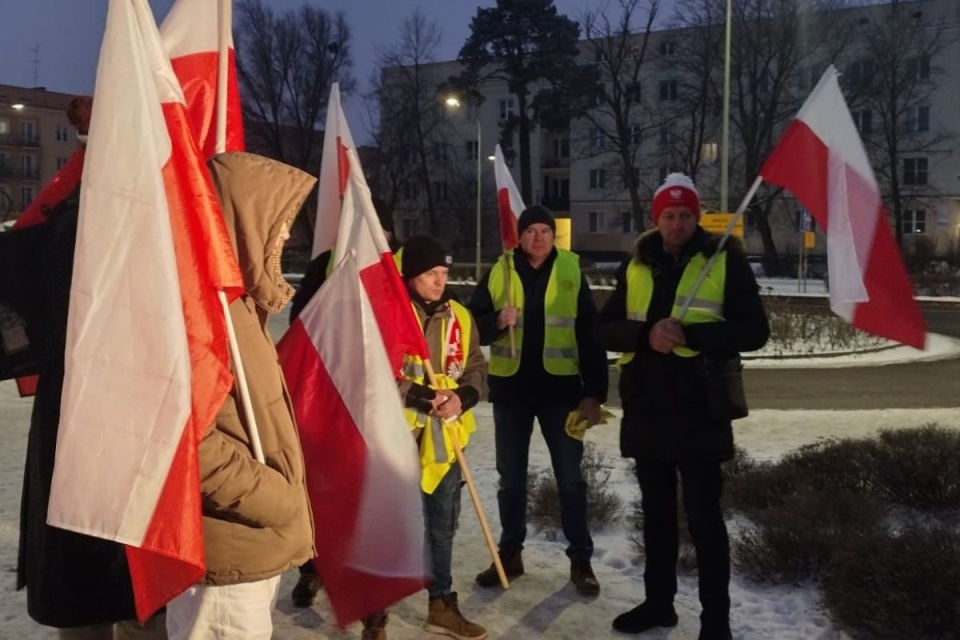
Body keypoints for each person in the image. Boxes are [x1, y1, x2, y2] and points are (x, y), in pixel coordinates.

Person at [0, 96, 165, 640]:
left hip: (112, 415)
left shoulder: (73, 212)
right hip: (93, 418)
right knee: (106, 581)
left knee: (120, 585)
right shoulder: (75, 222)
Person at [596, 173, 769, 640]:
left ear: (696, 218)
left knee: (705, 520)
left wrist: (690, 335)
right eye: (669, 216)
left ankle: (716, 622)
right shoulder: (635, 266)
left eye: (685, 215)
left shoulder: (724, 262)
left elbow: (754, 331)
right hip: (649, 408)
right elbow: (604, 328)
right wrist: (644, 336)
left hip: (701, 410)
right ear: (657, 220)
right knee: (655, 518)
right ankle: (659, 604)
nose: (677, 224)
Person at [164, 152, 317, 639]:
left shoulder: (241, 306)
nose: (287, 237)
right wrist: (276, 501)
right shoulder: (202, 311)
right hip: (225, 556)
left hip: (246, 545)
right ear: (243, 222)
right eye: (280, 222)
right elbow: (190, 442)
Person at [468, 205, 608, 596]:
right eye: (531, 231)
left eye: (546, 230)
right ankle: (509, 555)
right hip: (511, 393)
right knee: (510, 479)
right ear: (520, 235)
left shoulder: (570, 271)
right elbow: (468, 326)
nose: (539, 238)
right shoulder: (500, 271)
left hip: (561, 394)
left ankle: (581, 560)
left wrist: (594, 393)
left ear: (554, 236)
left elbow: (590, 335)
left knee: (571, 480)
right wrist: (495, 322)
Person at [362, 235, 488, 640]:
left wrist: (462, 398)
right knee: (389, 525)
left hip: (445, 440)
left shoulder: (460, 316)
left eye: (444, 273)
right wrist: (420, 396)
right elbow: (373, 367)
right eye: (430, 273)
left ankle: (441, 604)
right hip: (395, 437)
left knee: (441, 526)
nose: (439, 281)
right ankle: (375, 612)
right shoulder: (390, 314)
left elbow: (475, 366)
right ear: (410, 275)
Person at [288, 197, 396, 609]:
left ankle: (372, 605)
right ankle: (312, 570)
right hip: (329, 396)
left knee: (369, 500)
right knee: (323, 493)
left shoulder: (391, 266)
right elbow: (302, 324)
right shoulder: (324, 266)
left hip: (379, 401)